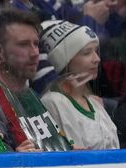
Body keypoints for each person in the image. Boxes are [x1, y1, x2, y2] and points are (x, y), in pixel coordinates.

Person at [0, 8, 71, 152]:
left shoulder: (31, 95)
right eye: (23, 44)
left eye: (36, 44)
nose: (35, 53)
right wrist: (15, 158)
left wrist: (68, 152)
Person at [39, 20, 119, 150]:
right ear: (66, 61)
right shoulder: (53, 103)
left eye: (96, 51)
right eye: (87, 53)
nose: (96, 59)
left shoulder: (94, 104)